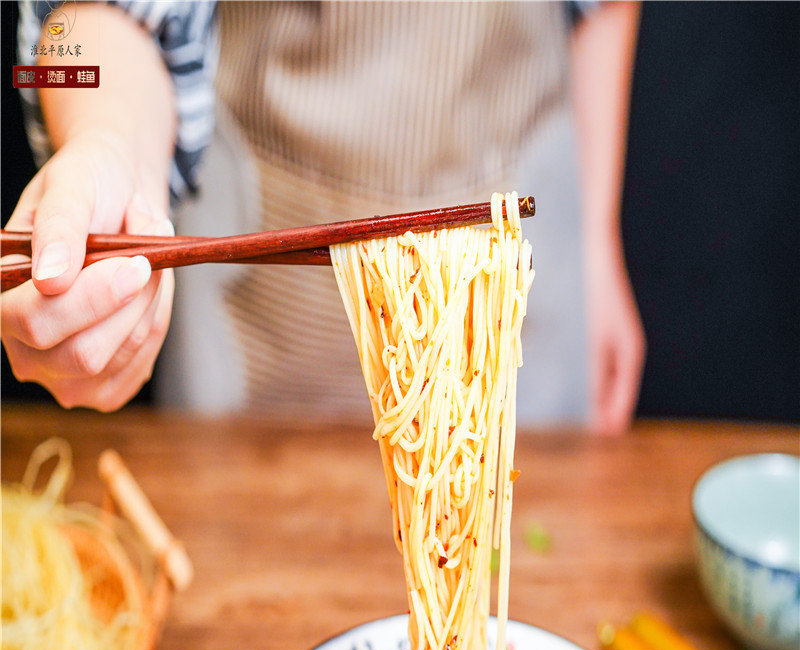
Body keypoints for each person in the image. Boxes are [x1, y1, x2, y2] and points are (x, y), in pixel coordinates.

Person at [2, 1, 644, 432]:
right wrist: (108, 144)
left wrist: (597, 234)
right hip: (263, 282)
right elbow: (82, 19)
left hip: (515, 264)